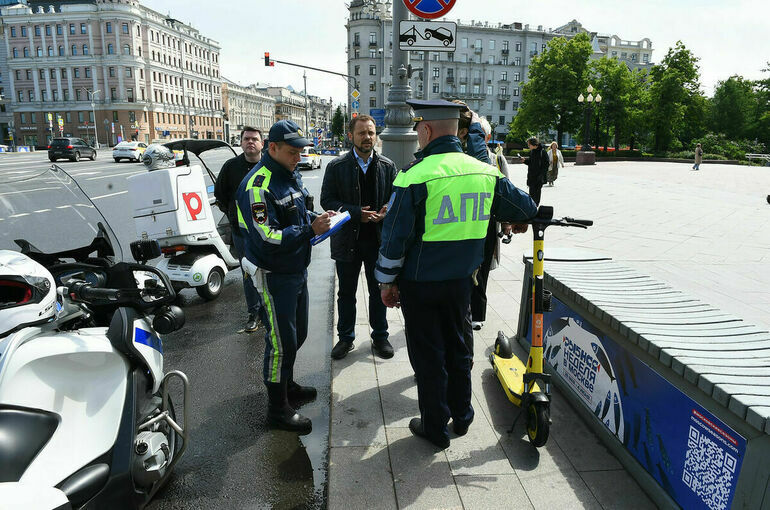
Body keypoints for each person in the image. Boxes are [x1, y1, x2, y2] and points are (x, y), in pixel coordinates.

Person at [375, 99, 538, 449]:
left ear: (427, 130)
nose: (418, 135)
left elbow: (394, 240)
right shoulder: (484, 172)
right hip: (462, 283)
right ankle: (462, 417)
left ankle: (435, 427)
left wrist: (386, 282)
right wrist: (520, 220)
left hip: (421, 286)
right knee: (459, 348)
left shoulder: (414, 175)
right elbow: (526, 207)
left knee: (428, 356)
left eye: (418, 129)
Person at [236, 119, 336, 434]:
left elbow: (297, 211)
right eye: (292, 151)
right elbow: (267, 236)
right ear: (273, 148)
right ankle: (277, 410)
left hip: (295, 269)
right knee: (280, 343)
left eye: (300, 151)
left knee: (298, 335)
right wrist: (310, 229)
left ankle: (288, 384)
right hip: (273, 273)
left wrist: (315, 218)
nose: (298, 157)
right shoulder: (258, 184)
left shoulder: (289, 175)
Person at [321, 114, 398, 360]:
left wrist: (386, 210)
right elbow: (327, 200)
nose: (367, 137)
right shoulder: (337, 166)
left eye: (371, 133)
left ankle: (380, 336)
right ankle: (345, 338)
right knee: (346, 293)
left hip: (377, 241)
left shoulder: (387, 165)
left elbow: (395, 197)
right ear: (351, 136)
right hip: (347, 241)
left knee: (379, 291)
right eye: (362, 133)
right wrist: (356, 214)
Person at [214, 126, 265, 333]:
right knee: (249, 273)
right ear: (241, 142)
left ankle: (271, 310)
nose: (250, 142)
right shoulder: (231, 167)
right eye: (246, 139)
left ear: (262, 143)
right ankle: (254, 313)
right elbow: (221, 196)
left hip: (269, 231)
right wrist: (235, 215)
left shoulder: (270, 166)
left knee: (270, 271)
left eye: (254, 139)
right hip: (242, 233)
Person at [470, 120, 513, 331]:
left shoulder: (496, 159)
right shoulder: (463, 157)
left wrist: (506, 223)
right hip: (465, 221)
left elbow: (505, 193)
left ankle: (477, 314)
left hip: (487, 224)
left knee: (482, 269)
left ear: (486, 138)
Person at [518, 137, 548, 205]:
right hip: (531, 177)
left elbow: (546, 165)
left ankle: (535, 207)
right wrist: (525, 161)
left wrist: (541, 175)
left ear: (534, 144)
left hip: (539, 177)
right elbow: (531, 162)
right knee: (531, 193)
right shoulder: (532, 152)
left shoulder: (542, 152)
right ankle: (532, 208)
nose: (528, 146)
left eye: (529, 145)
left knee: (536, 194)